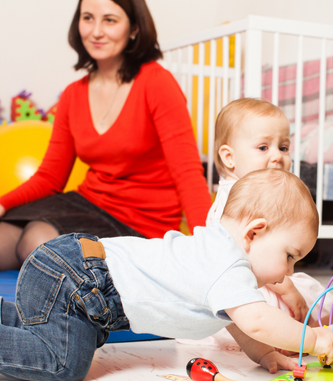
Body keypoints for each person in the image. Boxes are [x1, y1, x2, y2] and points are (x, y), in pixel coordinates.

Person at [0, 168, 333, 381]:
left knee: (58, 331)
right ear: (254, 233)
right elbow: (255, 320)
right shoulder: (226, 263)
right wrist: (311, 340)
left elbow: (238, 322)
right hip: (78, 278)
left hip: (70, 272)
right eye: (289, 256)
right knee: (65, 363)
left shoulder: (218, 258)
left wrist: (265, 354)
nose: (289, 272)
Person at [0, 0, 212, 271]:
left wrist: (209, 248)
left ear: (134, 28)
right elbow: (50, 177)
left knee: (37, 239)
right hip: (87, 203)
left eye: (110, 20)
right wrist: (3, 204)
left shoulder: (157, 83)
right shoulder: (73, 94)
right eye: (88, 18)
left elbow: (188, 174)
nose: (96, 31)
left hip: (140, 223)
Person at [208, 98, 330, 325]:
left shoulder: (255, 192)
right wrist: (288, 291)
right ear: (229, 157)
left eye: (283, 148)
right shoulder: (237, 199)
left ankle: (316, 321)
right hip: (246, 283)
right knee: (288, 300)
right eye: (263, 147)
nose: (277, 156)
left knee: (309, 287)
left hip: (268, 276)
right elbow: (257, 259)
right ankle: (299, 329)